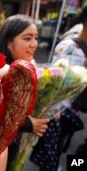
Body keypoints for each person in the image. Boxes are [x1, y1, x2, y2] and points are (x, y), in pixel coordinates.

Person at [30, 5, 87, 171]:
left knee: (60, 148)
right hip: (59, 113)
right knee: (50, 152)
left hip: (73, 113)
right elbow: (54, 82)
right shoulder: (69, 47)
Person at [0, 14, 50, 170]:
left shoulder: (28, 67)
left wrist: (50, 109)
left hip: (14, 146)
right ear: (9, 42)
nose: (34, 44)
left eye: (36, 37)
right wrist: (28, 123)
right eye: (27, 38)